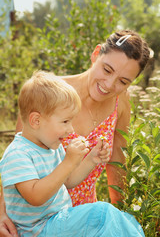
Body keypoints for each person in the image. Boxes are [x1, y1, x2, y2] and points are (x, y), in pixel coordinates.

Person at [0, 30, 150, 237]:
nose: (109, 84)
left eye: (123, 82)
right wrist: (1, 213)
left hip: (81, 216)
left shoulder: (121, 102)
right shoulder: (46, 96)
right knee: (104, 213)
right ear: (96, 54)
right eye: (107, 70)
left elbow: (117, 166)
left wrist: (120, 216)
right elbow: (17, 166)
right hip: (40, 222)